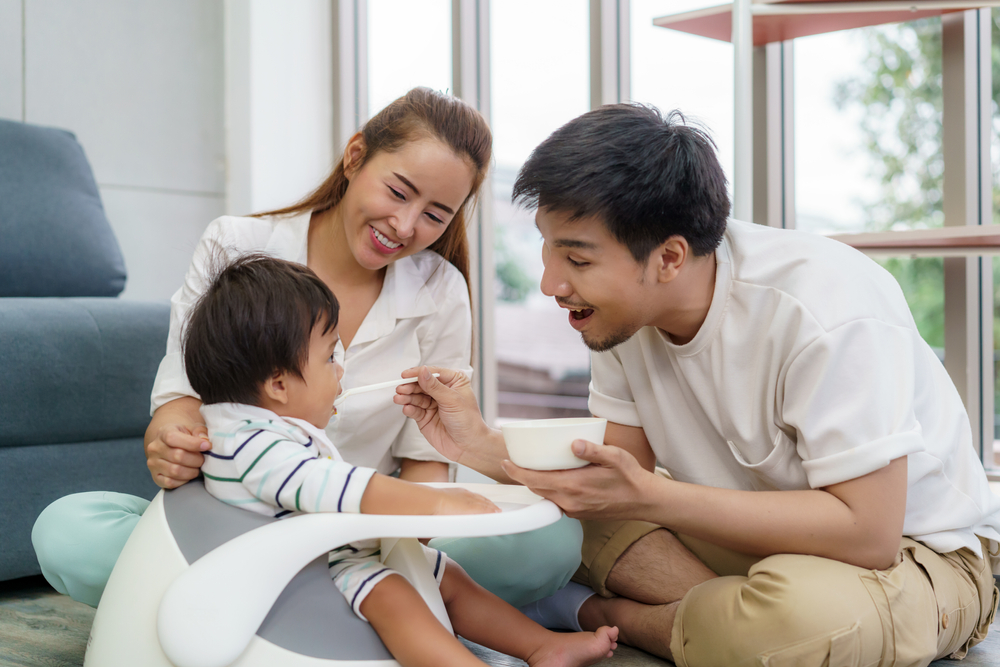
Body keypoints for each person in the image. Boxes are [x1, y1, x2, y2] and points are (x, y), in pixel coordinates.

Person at [394, 104, 1000, 667]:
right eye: (548, 250)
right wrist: (475, 444)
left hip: (916, 556)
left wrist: (651, 500)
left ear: (670, 258)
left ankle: (607, 616)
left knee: (798, 619)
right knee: (562, 518)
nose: (551, 283)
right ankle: (722, 616)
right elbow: (612, 473)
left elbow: (868, 534)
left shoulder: (824, 306)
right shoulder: (618, 317)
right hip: (740, 541)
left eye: (577, 260)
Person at [31, 87, 581, 610]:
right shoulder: (237, 246)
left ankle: (291, 607)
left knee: (549, 545)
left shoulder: (440, 291)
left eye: (436, 215)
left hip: (367, 542)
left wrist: (392, 533)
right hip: (231, 530)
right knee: (68, 532)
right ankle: (363, 614)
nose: (405, 224)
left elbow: (424, 464)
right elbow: (179, 398)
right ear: (355, 157)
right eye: (397, 191)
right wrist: (171, 446)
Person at [180, 254, 618, 667]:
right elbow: (335, 486)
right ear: (278, 384)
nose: (341, 370)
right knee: (394, 594)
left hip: (324, 556)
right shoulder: (252, 444)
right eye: (330, 356)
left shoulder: (252, 430)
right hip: (298, 577)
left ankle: (543, 645)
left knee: (445, 573)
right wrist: (442, 505)